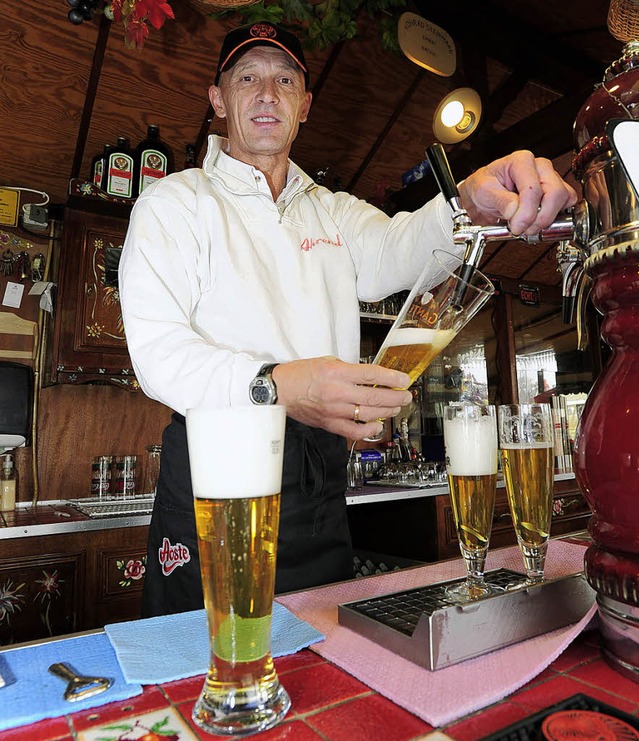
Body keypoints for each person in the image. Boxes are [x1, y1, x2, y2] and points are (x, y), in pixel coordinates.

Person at [119, 21, 577, 617]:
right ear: (218, 99)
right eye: (247, 77)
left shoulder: (330, 210)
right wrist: (284, 386)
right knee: (204, 670)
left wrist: (463, 199)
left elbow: (400, 248)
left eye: (284, 79)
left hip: (321, 483)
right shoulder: (174, 202)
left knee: (321, 656)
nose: (266, 93)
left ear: (304, 106)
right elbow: (159, 357)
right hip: (218, 473)